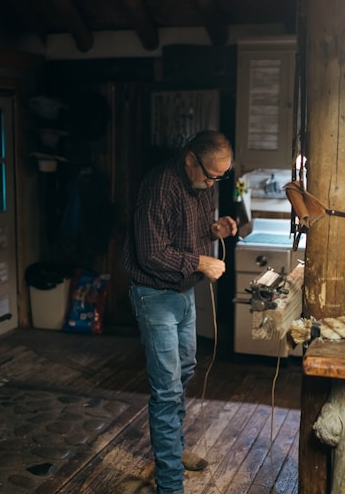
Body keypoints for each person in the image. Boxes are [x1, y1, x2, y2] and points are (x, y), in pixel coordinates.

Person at [121, 130, 237, 494]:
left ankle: (173, 447)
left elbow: (191, 229)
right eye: (210, 175)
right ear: (190, 158)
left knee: (185, 370)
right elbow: (151, 254)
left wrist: (217, 229)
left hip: (183, 292)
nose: (213, 182)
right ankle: (170, 482)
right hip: (153, 294)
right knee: (167, 389)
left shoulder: (205, 181)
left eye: (221, 176)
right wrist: (202, 261)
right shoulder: (159, 186)